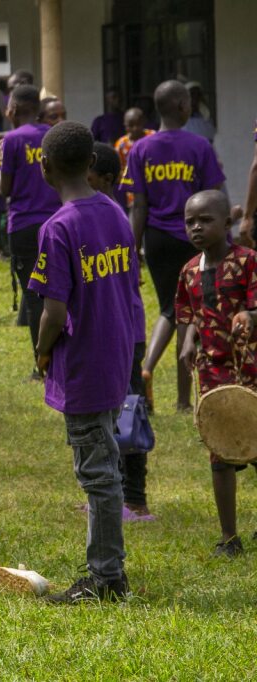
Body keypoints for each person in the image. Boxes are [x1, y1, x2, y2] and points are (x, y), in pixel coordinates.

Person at [30, 121, 140, 603]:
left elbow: (54, 311)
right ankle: (106, 570)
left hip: (85, 365)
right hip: (114, 354)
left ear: (45, 166)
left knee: (98, 473)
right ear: (91, 163)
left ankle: (106, 578)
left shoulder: (58, 228)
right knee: (104, 460)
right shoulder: (115, 212)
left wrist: (41, 349)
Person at [122, 80, 225, 412]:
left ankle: (147, 366)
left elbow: (138, 206)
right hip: (196, 238)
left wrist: (133, 250)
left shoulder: (140, 149)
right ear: (184, 106)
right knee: (191, 313)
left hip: (156, 240)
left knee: (170, 306)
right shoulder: (200, 146)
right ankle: (182, 400)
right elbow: (216, 198)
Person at [177, 190, 257, 557]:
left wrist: (249, 317)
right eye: (190, 221)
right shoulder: (189, 271)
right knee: (219, 453)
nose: (196, 227)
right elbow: (190, 314)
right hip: (211, 373)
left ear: (227, 223)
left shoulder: (248, 262)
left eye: (205, 220)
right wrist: (189, 340)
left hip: (250, 368)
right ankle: (229, 537)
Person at [88, 142, 154, 521]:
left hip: (125, 330)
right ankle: (113, 494)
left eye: (89, 176)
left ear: (107, 179)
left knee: (129, 411)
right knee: (110, 413)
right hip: (113, 327)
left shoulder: (110, 217)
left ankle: (135, 498)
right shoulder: (100, 213)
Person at [0, 84, 62, 373]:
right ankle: (62, 357)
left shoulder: (11, 140)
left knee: (33, 294)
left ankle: (42, 363)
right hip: (57, 223)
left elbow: (5, 188)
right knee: (61, 292)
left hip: (23, 225)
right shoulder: (53, 135)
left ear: (13, 110)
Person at [114, 108, 155, 211]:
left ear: (144, 122)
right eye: (131, 125)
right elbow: (119, 169)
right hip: (133, 192)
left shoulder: (153, 137)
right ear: (125, 125)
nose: (135, 128)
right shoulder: (121, 144)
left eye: (138, 124)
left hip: (154, 186)